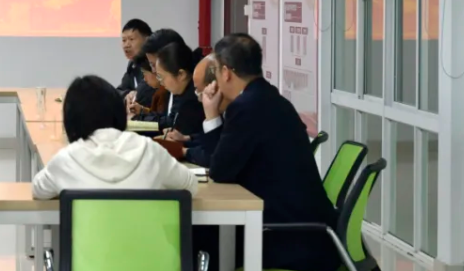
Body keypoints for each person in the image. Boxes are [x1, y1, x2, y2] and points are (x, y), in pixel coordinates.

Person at [200, 34, 339, 271]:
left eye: (215, 71)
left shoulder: (246, 107)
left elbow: (220, 171)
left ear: (225, 72)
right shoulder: (268, 98)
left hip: (287, 237)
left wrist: (212, 116)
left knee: (199, 235)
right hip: (305, 228)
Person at [31, 75, 197, 199]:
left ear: (71, 120)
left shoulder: (66, 160)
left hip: (91, 238)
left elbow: (38, 189)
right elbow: (191, 185)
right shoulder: (149, 150)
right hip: (146, 237)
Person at [138, 42, 205, 138]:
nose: (161, 82)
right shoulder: (181, 91)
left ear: (181, 75)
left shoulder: (191, 102)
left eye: (161, 77)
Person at [128, 28, 186, 121]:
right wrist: (143, 111)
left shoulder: (183, 89)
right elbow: (167, 118)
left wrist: (140, 119)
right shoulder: (169, 86)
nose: (153, 70)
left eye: (153, 65)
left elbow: (171, 123)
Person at [116, 19, 153, 108]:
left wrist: (134, 94)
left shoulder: (154, 64)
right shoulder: (133, 66)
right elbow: (118, 92)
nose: (126, 45)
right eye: (124, 40)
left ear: (147, 40)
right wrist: (128, 95)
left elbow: (144, 93)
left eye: (131, 39)